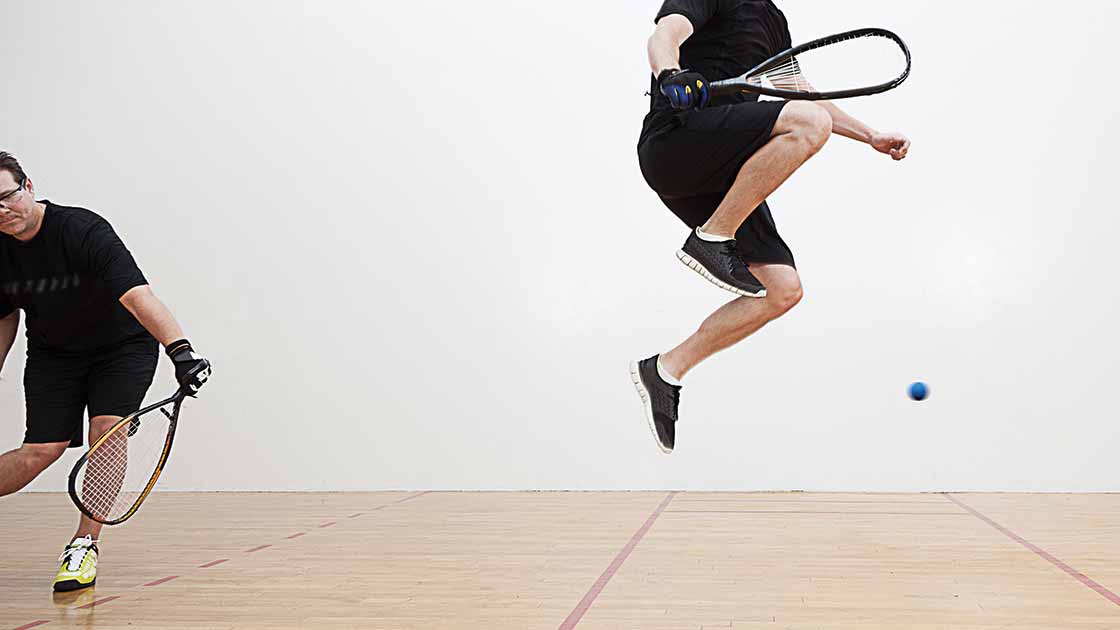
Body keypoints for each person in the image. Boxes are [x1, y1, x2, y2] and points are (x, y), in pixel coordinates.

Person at [630, 0, 910, 453]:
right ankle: (712, 237)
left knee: (783, 289)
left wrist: (871, 136)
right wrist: (670, 75)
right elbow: (664, 36)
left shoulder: (772, 20)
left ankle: (665, 369)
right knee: (809, 125)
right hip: (674, 144)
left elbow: (797, 90)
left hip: (719, 171)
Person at [0, 152, 212, 591]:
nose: (2, 211)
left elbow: (137, 295)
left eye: (6, 197)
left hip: (123, 348)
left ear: (29, 187)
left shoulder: (83, 231)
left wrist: (181, 351)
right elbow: (5, 316)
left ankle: (83, 545)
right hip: (53, 353)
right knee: (41, 450)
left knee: (107, 434)